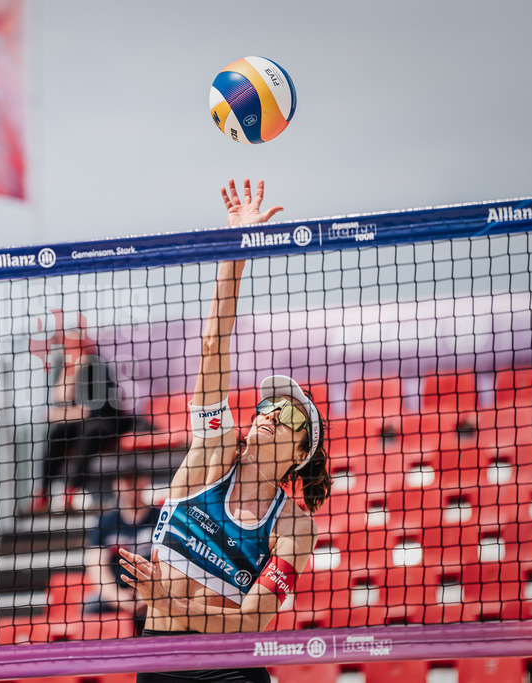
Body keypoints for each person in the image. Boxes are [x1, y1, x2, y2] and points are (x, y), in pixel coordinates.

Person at [118, 179, 332, 683]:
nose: (270, 414)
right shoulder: (211, 456)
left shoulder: (294, 527)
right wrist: (237, 248)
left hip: (231, 671)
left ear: (301, 452)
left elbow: (252, 621)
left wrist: (170, 602)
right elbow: (214, 343)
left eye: (289, 415)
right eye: (267, 405)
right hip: (160, 663)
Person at [36, 322, 134, 512]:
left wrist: (62, 414)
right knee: (58, 432)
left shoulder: (95, 366)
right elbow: (59, 401)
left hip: (106, 422)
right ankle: (42, 492)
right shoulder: (64, 369)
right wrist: (71, 372)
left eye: (76, 344)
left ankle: (71, 490)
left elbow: (90, 411)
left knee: (88, 431)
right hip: (80, 423)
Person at [82, 467, 158, 632]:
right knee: (90, 606)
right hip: (117, 593)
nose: (131, 485)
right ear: (116, 485)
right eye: (126, 481)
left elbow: (170, 562)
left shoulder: (160, 518)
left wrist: (147, 594)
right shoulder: (105, 522)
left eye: (135, 479)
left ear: (146, 481)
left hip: (155, 592)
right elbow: (96, 566)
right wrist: (118, 598)